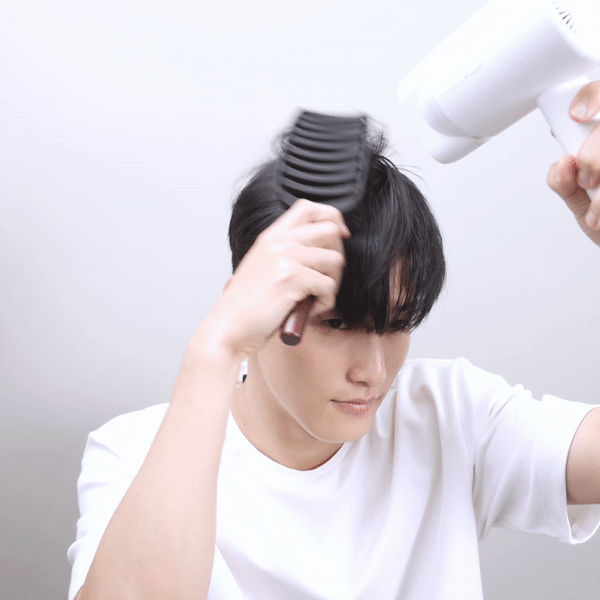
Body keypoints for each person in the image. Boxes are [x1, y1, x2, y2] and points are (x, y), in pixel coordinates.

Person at [68, 82, 600, 600]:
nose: (373, 372)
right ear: (251, 303)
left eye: (397, 324)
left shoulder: (448, 414)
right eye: (338, 324)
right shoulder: (137, 452)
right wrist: (216, 348)